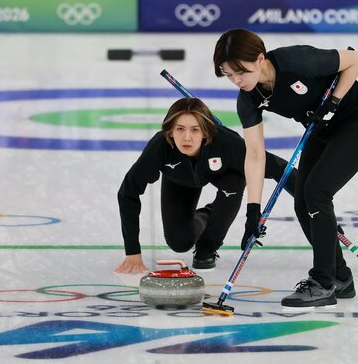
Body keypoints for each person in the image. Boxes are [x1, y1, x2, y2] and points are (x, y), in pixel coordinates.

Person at [212, 28, 358, 309]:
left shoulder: (298, 61)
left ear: (259, 59)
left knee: (316, 192)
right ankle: (340, 276)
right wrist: (252, 211)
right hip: (321, 129)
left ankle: (322, 283)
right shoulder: (248, 98)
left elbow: (355, 59)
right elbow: (255, 155)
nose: (236, 80)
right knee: (303, 200)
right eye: (228, 75)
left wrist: (335, 99)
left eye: (240, 72)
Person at [114, 97, 298, 274]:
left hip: (225, 175)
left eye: (195, 130)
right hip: (179, 179)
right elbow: (128, 192)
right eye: (180, 129)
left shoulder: (227, 143)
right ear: (170, 131)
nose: (187, 137)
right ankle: (206, 215)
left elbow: (277, 168)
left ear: (205, 131)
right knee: (179, 243)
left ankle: (208, 246)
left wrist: (311, 197)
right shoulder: (160, 147)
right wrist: (132, 252)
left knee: (233, 185)